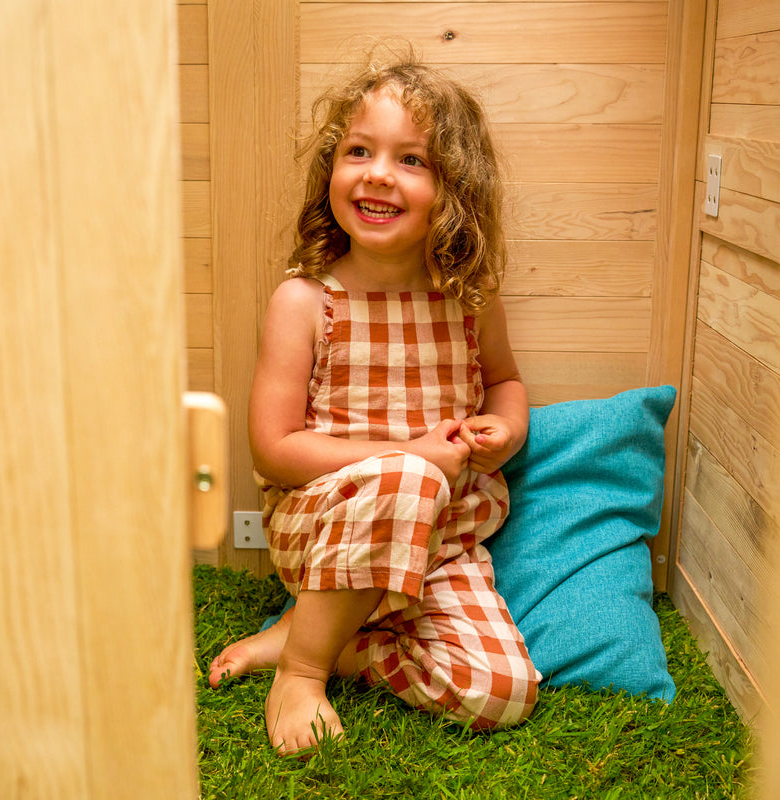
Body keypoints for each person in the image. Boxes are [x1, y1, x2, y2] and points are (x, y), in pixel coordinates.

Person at [208, 54, 541, 756]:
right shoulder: (305, 301)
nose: (378, 173)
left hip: (440, 548)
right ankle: (301, 672)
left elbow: (506, 380)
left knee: (503, 691)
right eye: (359, 150)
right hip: (325, 528)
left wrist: (506, 428)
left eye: (411, 159)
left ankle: (328, 641)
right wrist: (407, 459)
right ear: (332, 168)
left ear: (455, 189)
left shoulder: (470, 301)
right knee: (411, 477)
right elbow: (274, 450)